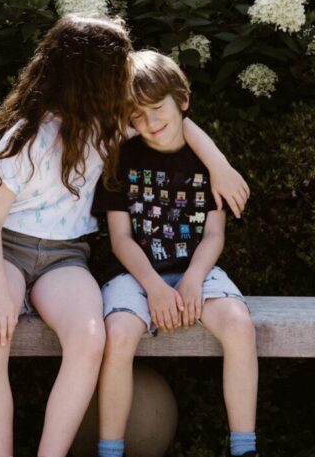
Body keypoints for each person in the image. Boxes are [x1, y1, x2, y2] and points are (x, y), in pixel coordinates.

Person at [0, 16, 249, 457]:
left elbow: (175, 121)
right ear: (90, 76)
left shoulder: (108, 126)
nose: (126, 74)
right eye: (118, 67)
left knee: (91, 337)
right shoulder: (26, 137)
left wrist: (219, 165)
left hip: (64, 258)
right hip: (2, 252)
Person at [93, 50, 259, 457]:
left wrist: (192, 280)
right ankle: (109, 450)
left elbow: (214, 235)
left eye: (157, 108)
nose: (150, 123)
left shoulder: (206, 162)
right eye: (137, 116)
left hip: (196, 269)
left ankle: (244, 448)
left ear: (182, 100)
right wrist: (154, 287)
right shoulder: (123, 159)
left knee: (239, 326)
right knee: (117, 335)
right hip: (137, 275)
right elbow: (120, 239)